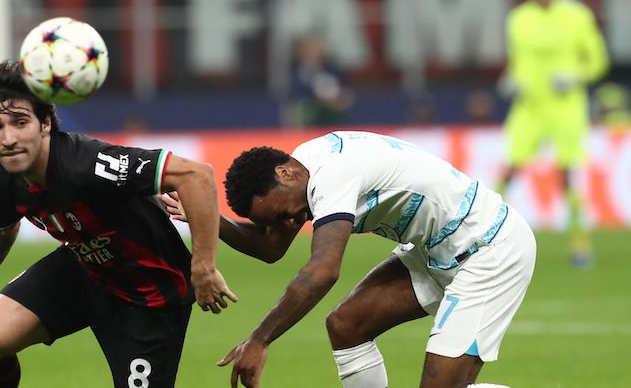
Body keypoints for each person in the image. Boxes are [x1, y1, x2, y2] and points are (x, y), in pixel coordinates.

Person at [0, 60, 236, 388]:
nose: (7, 138)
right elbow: (1, 226)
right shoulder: (4, 179)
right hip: (84, 272)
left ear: (45, 124)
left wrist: (204, 266)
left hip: (150, 295)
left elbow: (197, 175)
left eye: (20, 122)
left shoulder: (89, 165)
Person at [161, 131, 536, 387]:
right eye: (278, 220)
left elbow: (323, 271)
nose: (291, 223)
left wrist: (259, 340)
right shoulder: (301, 175)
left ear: (285, 172)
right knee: (347, 325)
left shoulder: (331, 174)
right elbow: (271, 249)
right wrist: (208, 219)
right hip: (434, 252)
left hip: (489, 249)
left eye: (283, 215)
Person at [497, 0, 609, 267]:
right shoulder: (518, 19)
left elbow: (598, 61)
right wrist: (511, 77)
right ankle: (478, 233)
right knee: (511, 166)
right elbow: (518, 60)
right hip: (529, 107)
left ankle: (579, 240)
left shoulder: (577, 16)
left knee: (567, 172)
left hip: (565, 106)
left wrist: (576, 77)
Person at [284, 35, 354, 128]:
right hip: (308, 108)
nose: (312, 52)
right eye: (309, 48)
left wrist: (336, 98)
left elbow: (346, 91)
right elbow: (293, 96)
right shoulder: (295, 70)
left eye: (316, 48)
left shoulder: (331, 68)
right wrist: (316, 100)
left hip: (331, 109)